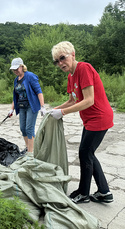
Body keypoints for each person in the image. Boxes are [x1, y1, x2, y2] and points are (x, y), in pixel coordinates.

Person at [50, 41, 114, 204]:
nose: (60, 63)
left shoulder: (84, 68)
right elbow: (72, 101)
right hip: (90, 120)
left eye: (62, 58)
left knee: (85, 153)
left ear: (73, 54)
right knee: (88, 153)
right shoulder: (71, 76)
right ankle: (104, 192)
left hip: (99, 117)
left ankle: (84, 193)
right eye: (56, 61)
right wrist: (53, 110)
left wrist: (62, 113)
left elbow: (89, 101)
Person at [8, 57, 46, 154]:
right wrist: (12, 109)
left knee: (29, 128)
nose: (15, 71)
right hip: (21, 106)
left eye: (17, 69)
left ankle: (30, 153)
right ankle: (28, 148)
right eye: (13, 69)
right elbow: (15, 96)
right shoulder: (16, 80)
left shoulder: (30, 76)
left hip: (31, 106)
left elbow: (39, 92)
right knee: (23, 128)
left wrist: (42, 107)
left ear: (22, 66)